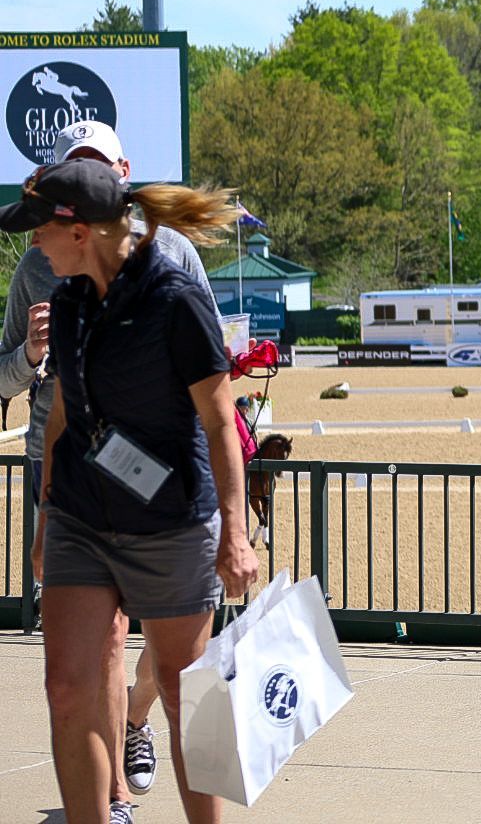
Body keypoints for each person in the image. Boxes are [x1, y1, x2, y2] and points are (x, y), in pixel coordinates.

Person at [7, 159, 257, 824]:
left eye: (40, 231)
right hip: (81, 517)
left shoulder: (174, 299)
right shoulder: (66, 303)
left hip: (170, 522)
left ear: (81, 232)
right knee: (67, 688)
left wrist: (234, 530)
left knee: (183, 694)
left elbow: (219, 422)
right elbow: (60, 416)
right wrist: (43, 519)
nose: (32, 244)